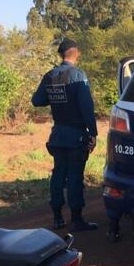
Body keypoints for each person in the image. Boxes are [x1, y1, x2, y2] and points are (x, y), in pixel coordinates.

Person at [31, 38, 98, 231]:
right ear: (76, 53)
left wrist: (56, 98)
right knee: (75, 176)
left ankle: (57, 218)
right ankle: (76, 220)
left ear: (61, 55)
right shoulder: (77, 75)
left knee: (58, 174)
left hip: (58, 134)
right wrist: (92, 133)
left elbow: (37, 100)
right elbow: (87, 107)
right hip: (76, 135)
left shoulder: (50, 75)